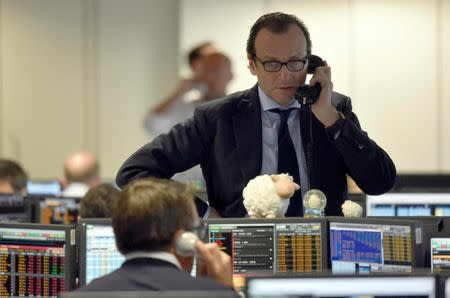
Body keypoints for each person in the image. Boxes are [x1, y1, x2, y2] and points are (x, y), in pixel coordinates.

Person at [116, 12, 396, 217]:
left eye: (296, 62)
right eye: (272, 63)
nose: (286, 75)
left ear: (312, 64)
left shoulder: (334, 110)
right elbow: (134, 172)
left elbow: (380, 182)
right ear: (252, 64)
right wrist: (199, 213)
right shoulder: (218, 117)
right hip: (241, 257)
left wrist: (332, 120)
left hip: (320, 258)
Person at [77, 177, 236, 294]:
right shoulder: (211, 294)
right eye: (196, 229)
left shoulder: (80, 295)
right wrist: (223, 291)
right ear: (184, 241)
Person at [144, 46, 233, 137]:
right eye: (206, 70)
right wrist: (179, 91)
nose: (211, 76)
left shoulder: (241, 110)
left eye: (216, 70)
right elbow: (152, 124)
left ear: (231, 76)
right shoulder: (186, 109)